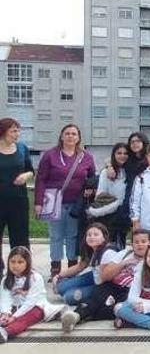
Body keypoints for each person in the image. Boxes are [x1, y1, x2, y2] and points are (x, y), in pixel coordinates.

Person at [35, 123, 96, 278]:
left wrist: (90, 188)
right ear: (61, 136)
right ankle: (55, 268)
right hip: (54, 203)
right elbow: (40, 179)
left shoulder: (86, 157)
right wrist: (38, 202)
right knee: (56, 235)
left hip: (77, 204)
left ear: (78, 138)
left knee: (73, 236)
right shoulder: (50, 155)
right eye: (67, 133)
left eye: (74, 134)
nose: (70, 136)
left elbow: (92, 178)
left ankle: (71, 267)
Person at [60, 229, 150, 330]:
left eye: (143, 242)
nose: (139, 245)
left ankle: (81, 316)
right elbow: (105, 276)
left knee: (113, 309)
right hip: (114, 285)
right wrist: (124, 263)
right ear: (132, 243)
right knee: (96, 297)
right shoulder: (125, 254)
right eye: (136, 242)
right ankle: (75, 316)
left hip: (133, 291)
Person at [0, 247, 63, 343]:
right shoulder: (6, 279)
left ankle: (6, 332)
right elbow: (5, 298)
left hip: (34, 308)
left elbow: (30, 303)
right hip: (14, 308)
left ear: (27, 263)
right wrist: (5, 313)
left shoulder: (36, 278)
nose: (15, 265)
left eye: (20, 262)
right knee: (3, 317)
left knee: (25, 319)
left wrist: (14, 317)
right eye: (12, 262)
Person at [0, 119, 34, 276]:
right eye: (13, 131)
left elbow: (30, 170)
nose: (17, 134)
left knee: (20, 239)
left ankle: (21, 273)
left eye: (18, 130)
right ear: (3, 131)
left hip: (18, 202)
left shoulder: (22, 149)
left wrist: (25, 175)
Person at [54, 222, 108, 307]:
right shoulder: (91, 250)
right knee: (59, 288)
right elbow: (80, 266)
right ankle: (70, 284)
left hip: (104, 284)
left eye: (96, 235)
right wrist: (59, 276)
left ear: (104, 238)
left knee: (68, 297)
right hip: (93, 276)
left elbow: (108, 277)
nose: (92, 237)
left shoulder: (108, 252)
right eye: (89, 235)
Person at [88, 143, 129, 249]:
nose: (122, 156)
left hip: (124, 214)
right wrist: (115, 203)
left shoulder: (131, 171)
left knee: (121, 245)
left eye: (125, 153)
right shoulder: (106, 172)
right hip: (108, 214)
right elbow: (101, 193)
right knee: (107, 245)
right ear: (113, 154)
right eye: (119, 153)